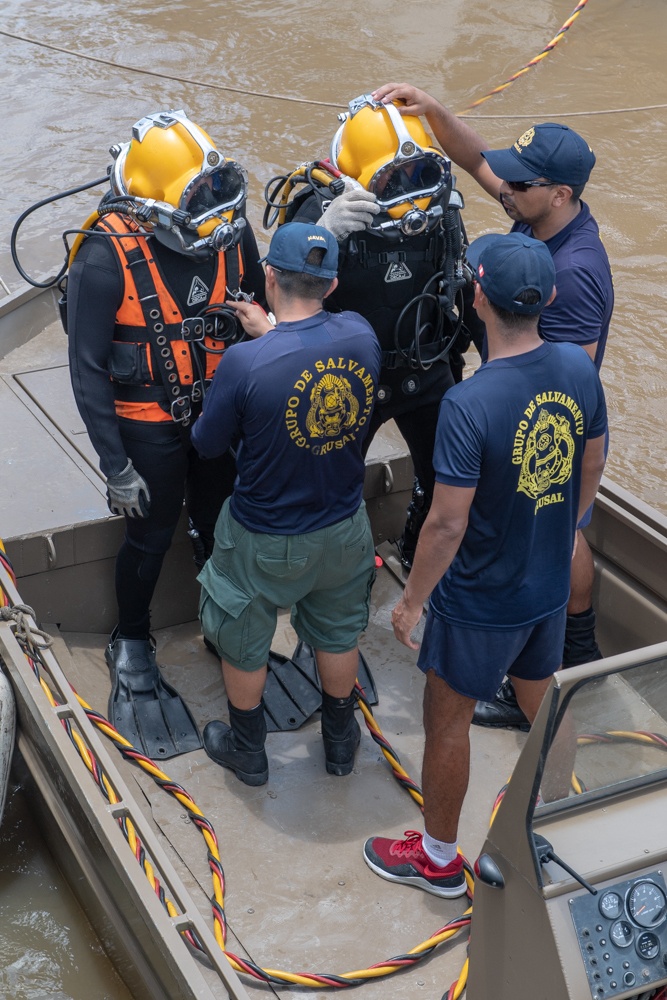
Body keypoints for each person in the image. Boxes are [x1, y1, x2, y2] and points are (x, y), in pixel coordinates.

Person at [362, 232, 607, 898]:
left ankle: (438, 861)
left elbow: (446, 522)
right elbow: (590, 459)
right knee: (543, 702)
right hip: (546, 583)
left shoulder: (468, 404)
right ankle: (558, 816)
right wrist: (565, 527)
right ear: (549, 298)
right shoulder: (577, 371)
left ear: (476, 297)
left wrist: (411, 601)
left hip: (479, 599)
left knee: (448, 721)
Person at [372, 83, 614, 727]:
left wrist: (488, 418)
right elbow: (483, 162)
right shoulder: (537, 218)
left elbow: (569, 383)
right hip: (519, 396)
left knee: (557, 528)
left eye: (519, 182)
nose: (502, 186)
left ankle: (572, 649)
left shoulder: (579, 271)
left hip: (535, 419)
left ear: (559, 193)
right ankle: (559, 654)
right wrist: (432, 112)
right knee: (562, 524)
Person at [67, 109, 266, 758]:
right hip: (145, 427)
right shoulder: (106, 255)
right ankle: (131, 639)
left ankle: (220, 622)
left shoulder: (231, 234)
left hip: (217, 417)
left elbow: (257, 319)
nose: (212, 218)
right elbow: (89, 368)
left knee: (219, 522)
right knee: (149, 537)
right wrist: (113, 464)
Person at [190, 222, 381, 786]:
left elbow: (205, 444)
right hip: (346, 527)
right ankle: (341, 745)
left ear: (269, 275)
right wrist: (271, 331)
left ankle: (248, 752)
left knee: (243, 630)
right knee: (339, 628)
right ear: (333, 282)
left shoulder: (247, 364)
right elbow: (310, 347)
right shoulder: (361, 336)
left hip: (265, 535)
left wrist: (261, 340)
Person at [266, 94, 471, 570]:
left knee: (444, 478)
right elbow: (272, 302)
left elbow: (459, 286)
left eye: (418, 173)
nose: (409, 189)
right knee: (329, 491)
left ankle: (414, 554)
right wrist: (323, 234)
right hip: (344, 380)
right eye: (391, 178)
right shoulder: (319, 212)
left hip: (424, 367)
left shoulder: (438, 207)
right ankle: (338, 589)